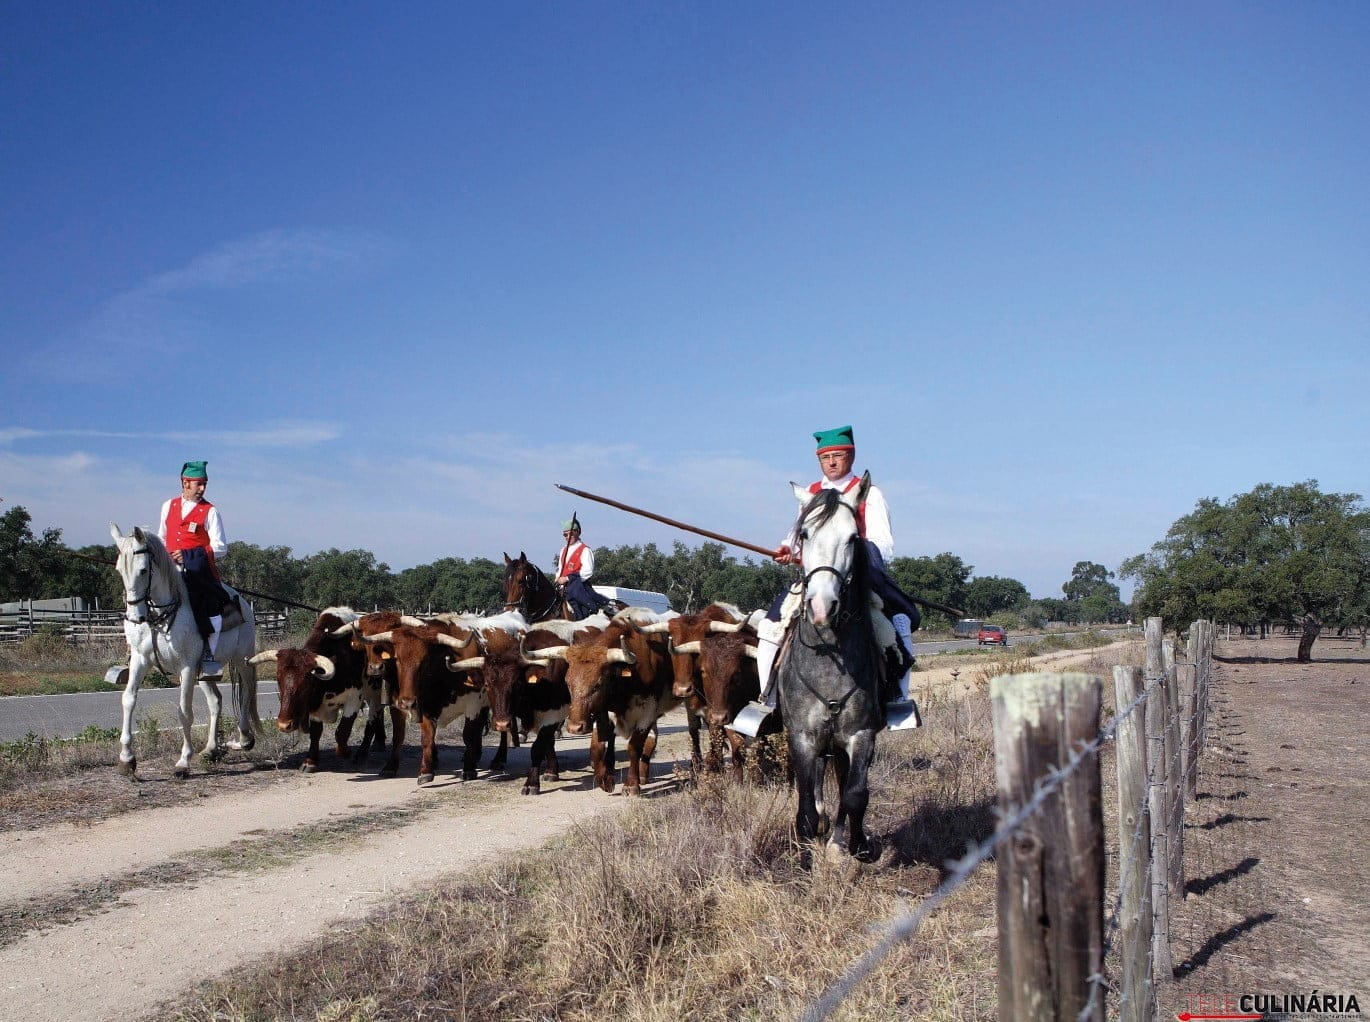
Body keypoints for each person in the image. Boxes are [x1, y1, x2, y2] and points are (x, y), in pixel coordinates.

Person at [757, 425, 920, 713]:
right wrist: (788, 550)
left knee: (900, 624)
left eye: (838, 455)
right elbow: (798, 535)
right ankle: (767, 699)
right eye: (825, 457)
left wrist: (849, 556)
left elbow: (882, 542)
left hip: (860, 576)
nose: (831, 462)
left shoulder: (868, 493)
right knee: (769, 628)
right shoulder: (810, 494)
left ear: (850, 456)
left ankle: (898, 700)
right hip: (816, 578)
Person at [157, 460, 236, 677]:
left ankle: (208, 654)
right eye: (198, 484)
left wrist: (189, 555)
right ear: (185, 482)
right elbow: (162, 537)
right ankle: (133, 652)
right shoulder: (168, 506)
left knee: (212, 607)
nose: (202, 488)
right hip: (169, 571)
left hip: (199, 573)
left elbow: (220, 547)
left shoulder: (210, 511)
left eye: (205, 484)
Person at [552, 514, 615, 620]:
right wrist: (558, 578)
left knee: (582, 611)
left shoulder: (585, 550)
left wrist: (567, 578)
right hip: (562, 588)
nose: (567, 537)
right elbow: (560, 569)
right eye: (565, 535)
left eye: (570, 534)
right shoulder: (563, 550)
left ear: (577, 532)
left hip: (579, 587)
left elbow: (588, 571)